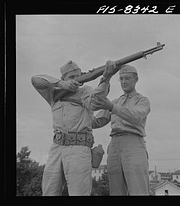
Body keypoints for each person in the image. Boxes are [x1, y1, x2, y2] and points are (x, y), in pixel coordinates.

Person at [31, 60, 116, 196]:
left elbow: (95, 101)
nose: (75, 80)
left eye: (78, 76)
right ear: (63, 79)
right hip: (56, 148)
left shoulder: (85, 91)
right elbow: (35, 80)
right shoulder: (54, 93)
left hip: (79, 148)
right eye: (71, 77)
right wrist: (61, 84)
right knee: (49, 192)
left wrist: (106, 78)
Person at [91, 63, 151, 196]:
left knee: (138, 190)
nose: (123, 81)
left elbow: (136, 117)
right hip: (114, 146)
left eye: (127, 78)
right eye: (121, 78)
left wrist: (112, 107)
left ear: (136, 79)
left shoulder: (143, 101)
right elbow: (96, 121)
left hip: (134, 144)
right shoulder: (115, 101)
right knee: (116, 191)